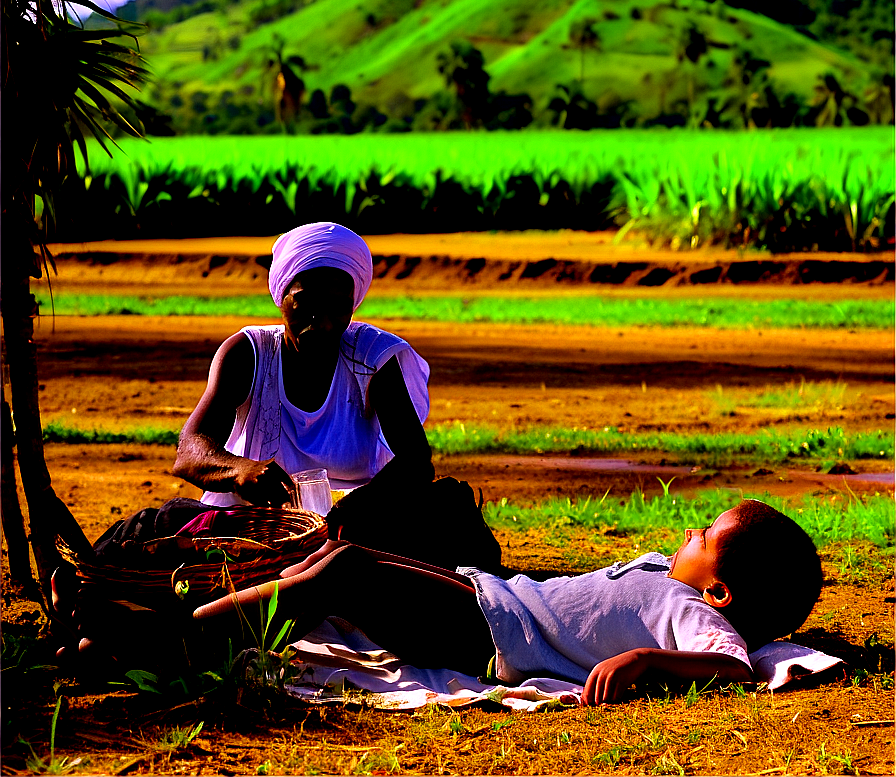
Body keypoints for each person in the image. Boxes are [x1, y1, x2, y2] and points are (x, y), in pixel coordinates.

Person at [193, 499, 823, 704]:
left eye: (705, 535)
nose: (690, 531)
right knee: (335, 556)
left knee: (346, 572)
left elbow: (734, 664)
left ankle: (179, 642)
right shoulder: (668, 573)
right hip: (484, 596)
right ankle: (195, 619)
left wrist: (647, 661)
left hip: (488, 634)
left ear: (718, 591)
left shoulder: (693, 612)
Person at [172, 221, 433, 512]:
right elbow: (190, 452)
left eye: (338, 308)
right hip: (256, 523)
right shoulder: (248, 354)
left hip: (355, 524)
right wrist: (239, 471)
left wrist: (347, 514)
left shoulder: (372, 358)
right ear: (281, 296)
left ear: (353, 304)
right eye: (304, 302)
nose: (322, 323)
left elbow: (416, 462)